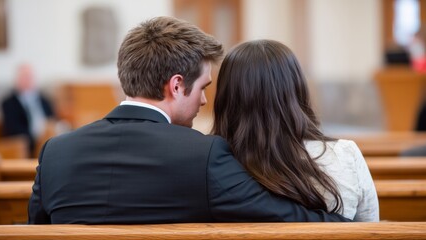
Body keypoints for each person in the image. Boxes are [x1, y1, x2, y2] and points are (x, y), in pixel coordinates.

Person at [28, 16, 350, 224]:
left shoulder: (56, 152)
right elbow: (286, 218)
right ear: (177, 85)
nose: (205, 100)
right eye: (203, 88)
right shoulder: (204, 156)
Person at [212, 40, 379, 222]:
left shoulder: (214, 163)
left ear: (226, 98)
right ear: (296, 89)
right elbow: (370, 228)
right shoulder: (345, 155)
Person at [0, 64, 55, 157]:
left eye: (30, 77)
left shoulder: (45, 100)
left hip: (47, 137)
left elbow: (52, 118)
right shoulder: (8, 103)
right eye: (24, 77)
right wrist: (35, 136)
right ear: (17, 79)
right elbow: (12, 128)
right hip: (26, 141)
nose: (28, 80)